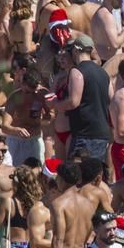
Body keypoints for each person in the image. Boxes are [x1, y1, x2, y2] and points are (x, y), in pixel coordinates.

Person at [48, 35, 112, 164]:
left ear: (76, 51)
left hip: (85, 134)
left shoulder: (77, 71)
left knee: (80, 176)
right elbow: (111, 99)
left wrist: (55, 104)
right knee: (96, 175)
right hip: (102, 132)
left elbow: (73, 102)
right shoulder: (103, 72)